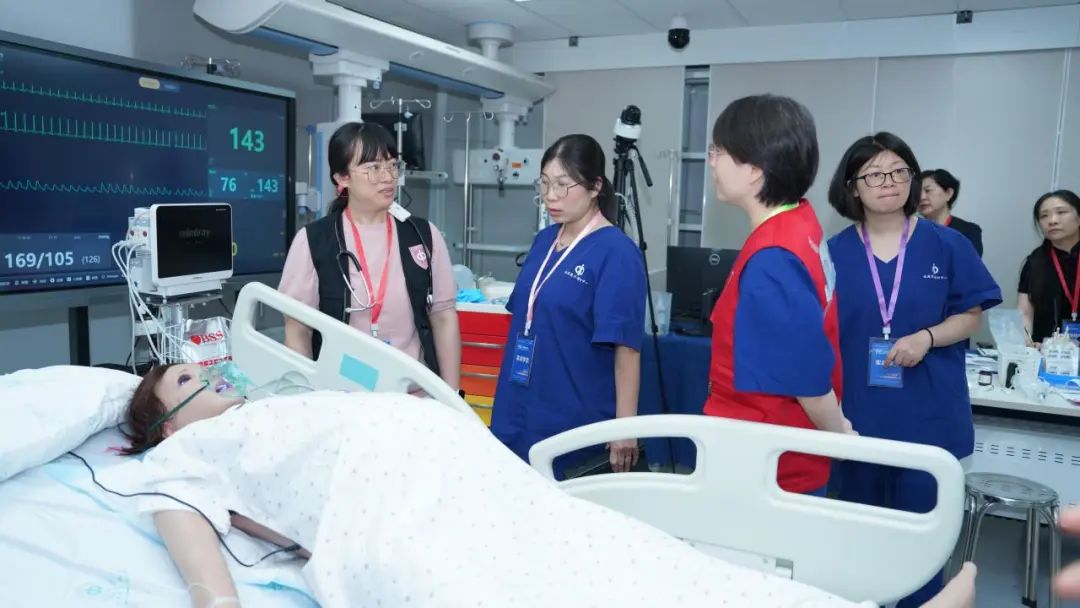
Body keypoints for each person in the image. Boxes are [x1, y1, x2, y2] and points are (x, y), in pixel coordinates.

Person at [118, 363, 978, 608]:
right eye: (184, 381)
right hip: (393, 515)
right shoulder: (181, 458)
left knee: (634, 561)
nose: (208, 375)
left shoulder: (275, 405)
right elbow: (200, 558)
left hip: (460, 468)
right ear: (166, 424)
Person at [826, 132, 1002, 607]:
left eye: (899, 171)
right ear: (851, 187)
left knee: (920, 551)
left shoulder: (948, 244)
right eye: (874, 174)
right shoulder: (833, 252)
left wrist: (927, 337)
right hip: (855, 421)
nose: (888, 182)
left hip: (928, 418)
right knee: (855, 545)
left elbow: (971, 316)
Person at [702, 94, 853, 497]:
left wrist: (838, 435)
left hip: (768, 464)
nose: (711, 162)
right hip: (778, 448)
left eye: (718, 151)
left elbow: (807, 379)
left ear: (754, 170)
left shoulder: (773, 257)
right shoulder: (799, 221)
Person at [490, 134, 646, 477]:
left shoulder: (617, 252)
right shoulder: (545, 241)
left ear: (595, 187)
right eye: (545, 183)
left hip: (572, 416)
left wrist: (624, 429)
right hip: (516, 406)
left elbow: (627, 350)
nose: (551, 195)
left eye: (563, 185)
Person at [278, 122, 460, 389]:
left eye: (392, 165)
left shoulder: (422, 235)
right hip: (340, 395)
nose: (387, 177)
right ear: (342, 178)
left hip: (414, 396)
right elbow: (298, 332)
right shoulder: (314, 241)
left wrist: (453, 397)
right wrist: (306, 399)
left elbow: (443, 318)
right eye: (373, 168)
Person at [1017, 190, 1080, 344]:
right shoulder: (1035, 262)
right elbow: (1024, 313)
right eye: (1044, 216)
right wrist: (1027, 343)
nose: (1052, 221)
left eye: (1061, 212)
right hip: (1047, 351)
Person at [918, 169, 983, 256]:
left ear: (948, 193)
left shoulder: (968, 231)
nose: (921, 197)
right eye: (916, 193)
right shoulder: (911, 231)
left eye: (928, 190)